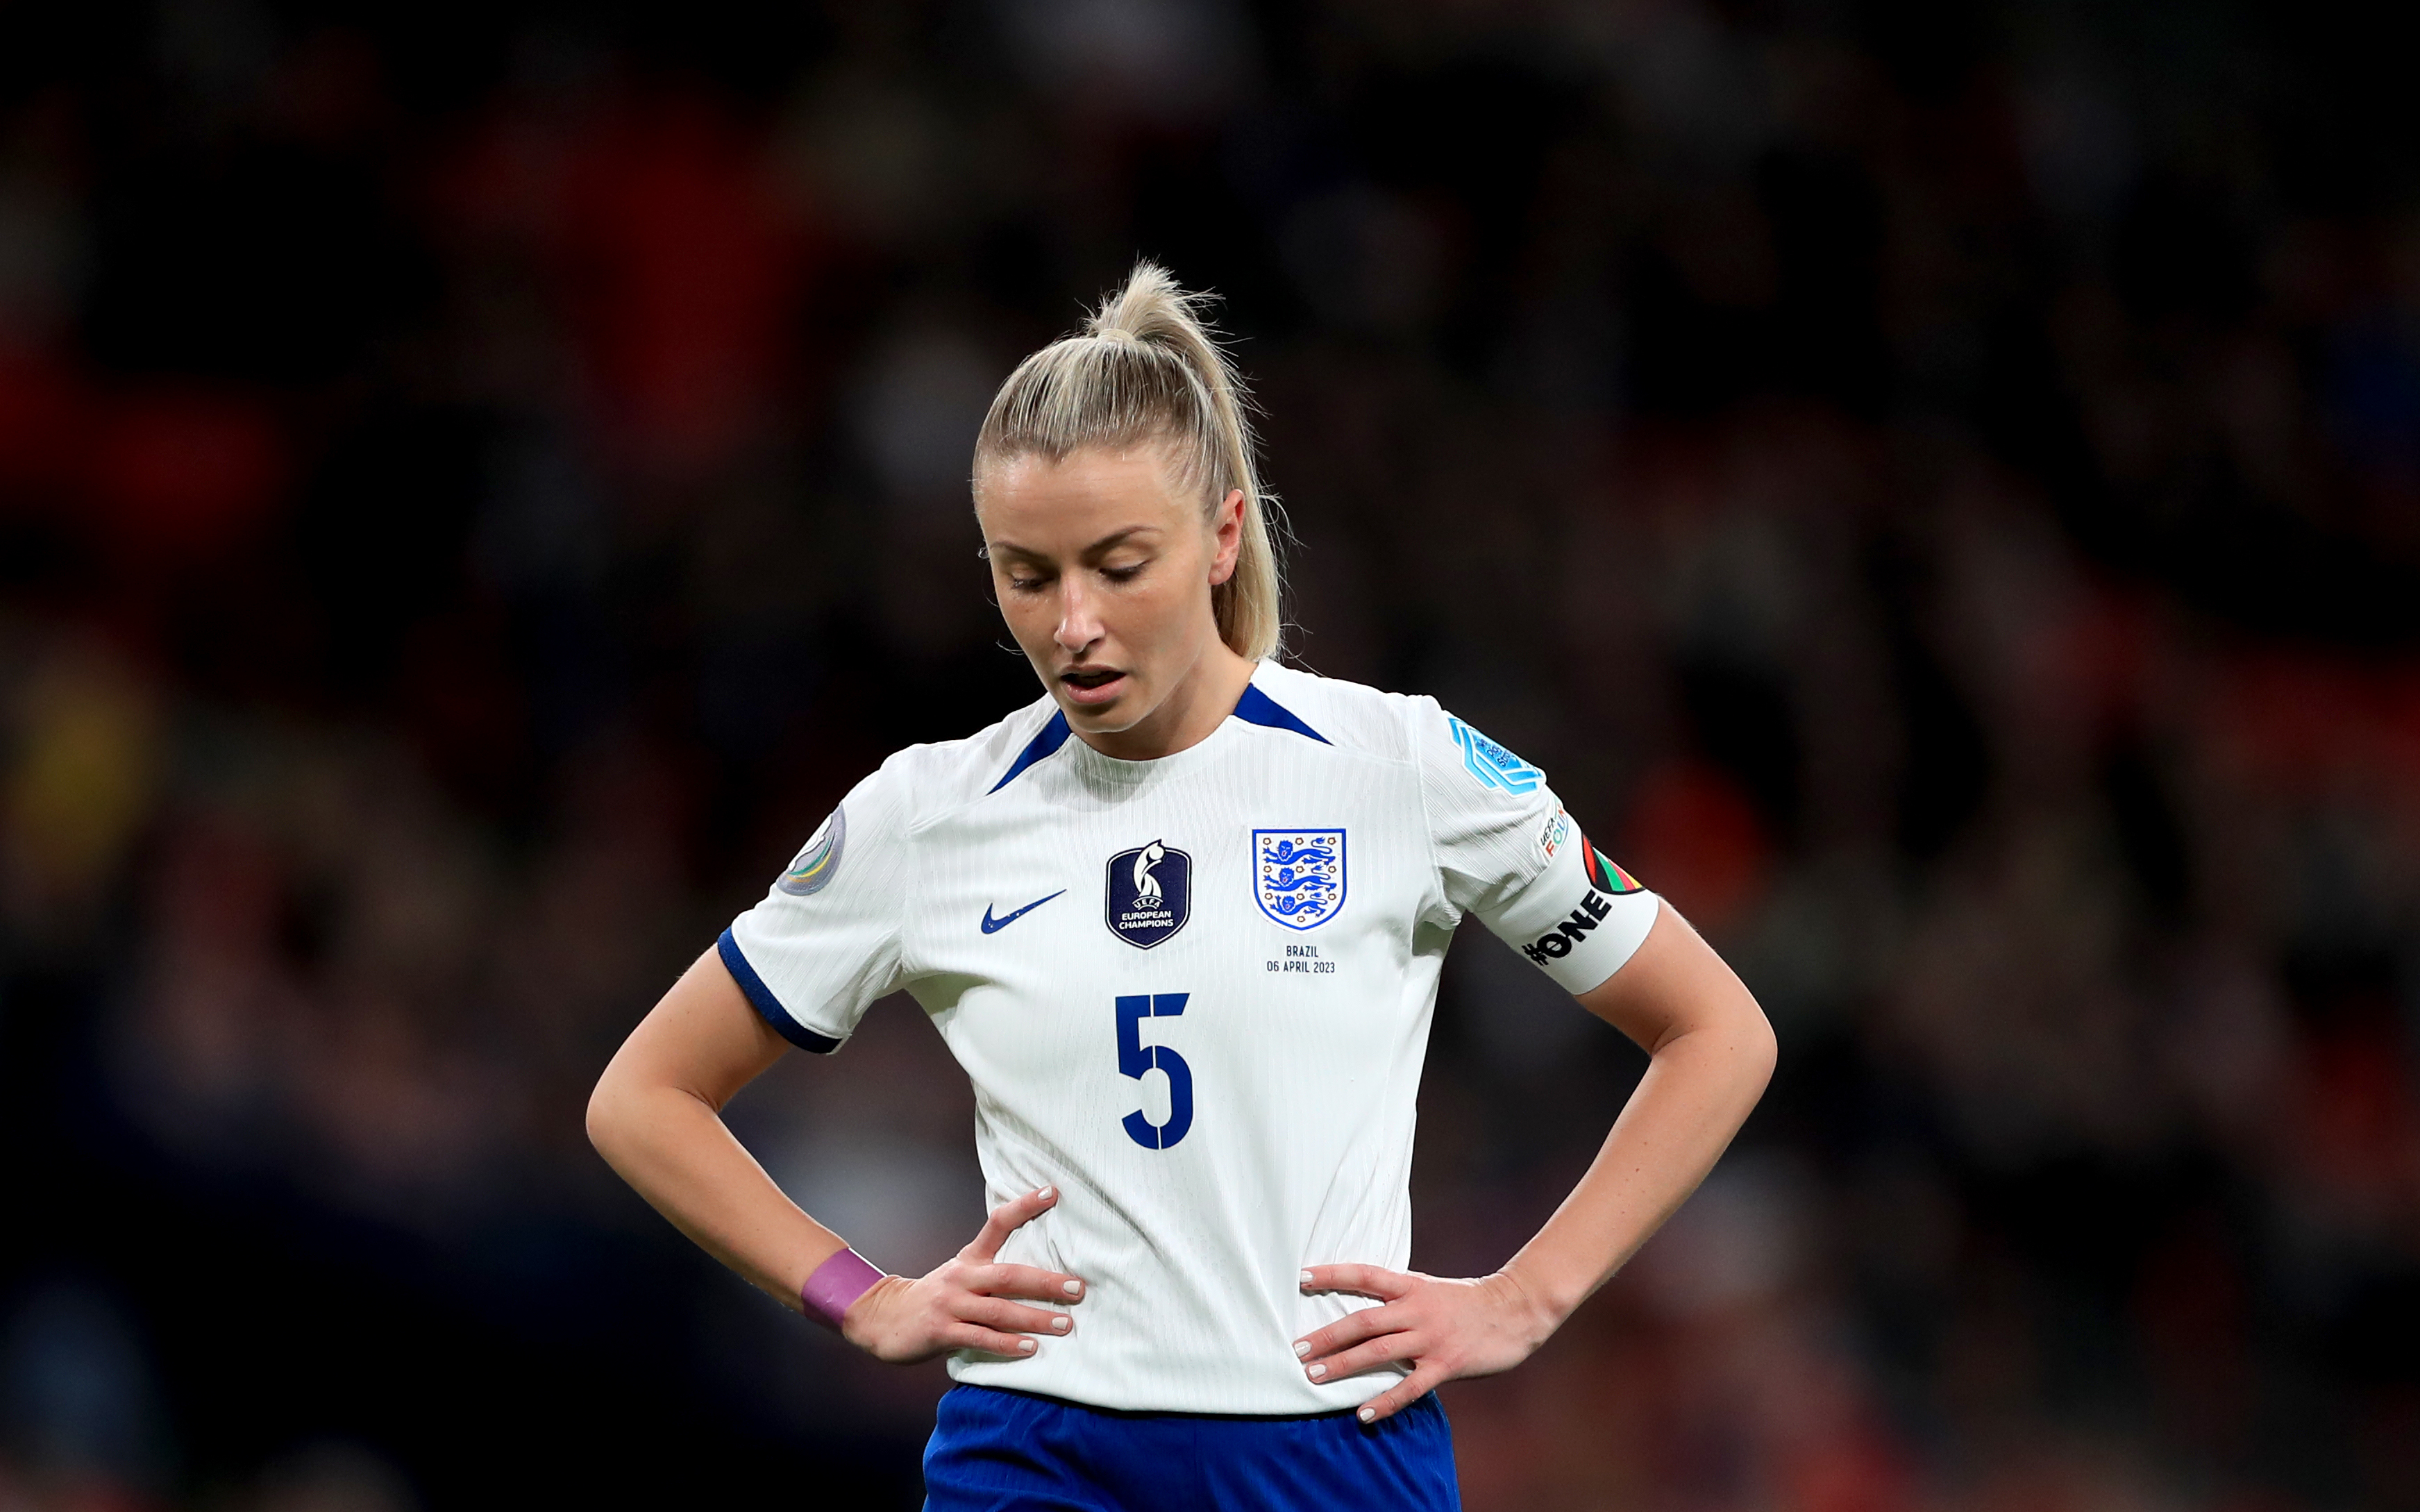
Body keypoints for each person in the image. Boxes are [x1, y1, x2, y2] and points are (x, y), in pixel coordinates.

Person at [586, 263, 1777, 1510]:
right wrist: (862, 1295)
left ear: (1220, 533)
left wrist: (1529, 1296)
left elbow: (1714, 1029)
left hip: (1329, 1449)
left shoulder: (1401, 770)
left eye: (1117, 563)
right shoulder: (925, 815)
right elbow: (644, 1096)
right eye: (1026, 574)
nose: (1072, 625)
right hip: (1035, 1450)